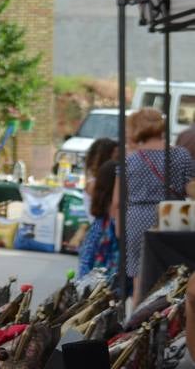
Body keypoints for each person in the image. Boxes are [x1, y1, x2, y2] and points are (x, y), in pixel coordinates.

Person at [122, 107, 195, 304]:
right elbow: (191, 187)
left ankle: (137, 327)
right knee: (175, 276)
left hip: (138, 217)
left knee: (140, 278)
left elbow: (121, 198)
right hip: (173, 216)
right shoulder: (181, 156)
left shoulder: (131, 159)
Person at [77, 160, 120, 285]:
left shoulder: (99, 220)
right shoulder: (113, 218)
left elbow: (86, 257)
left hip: (92, 282)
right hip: (104, 282)